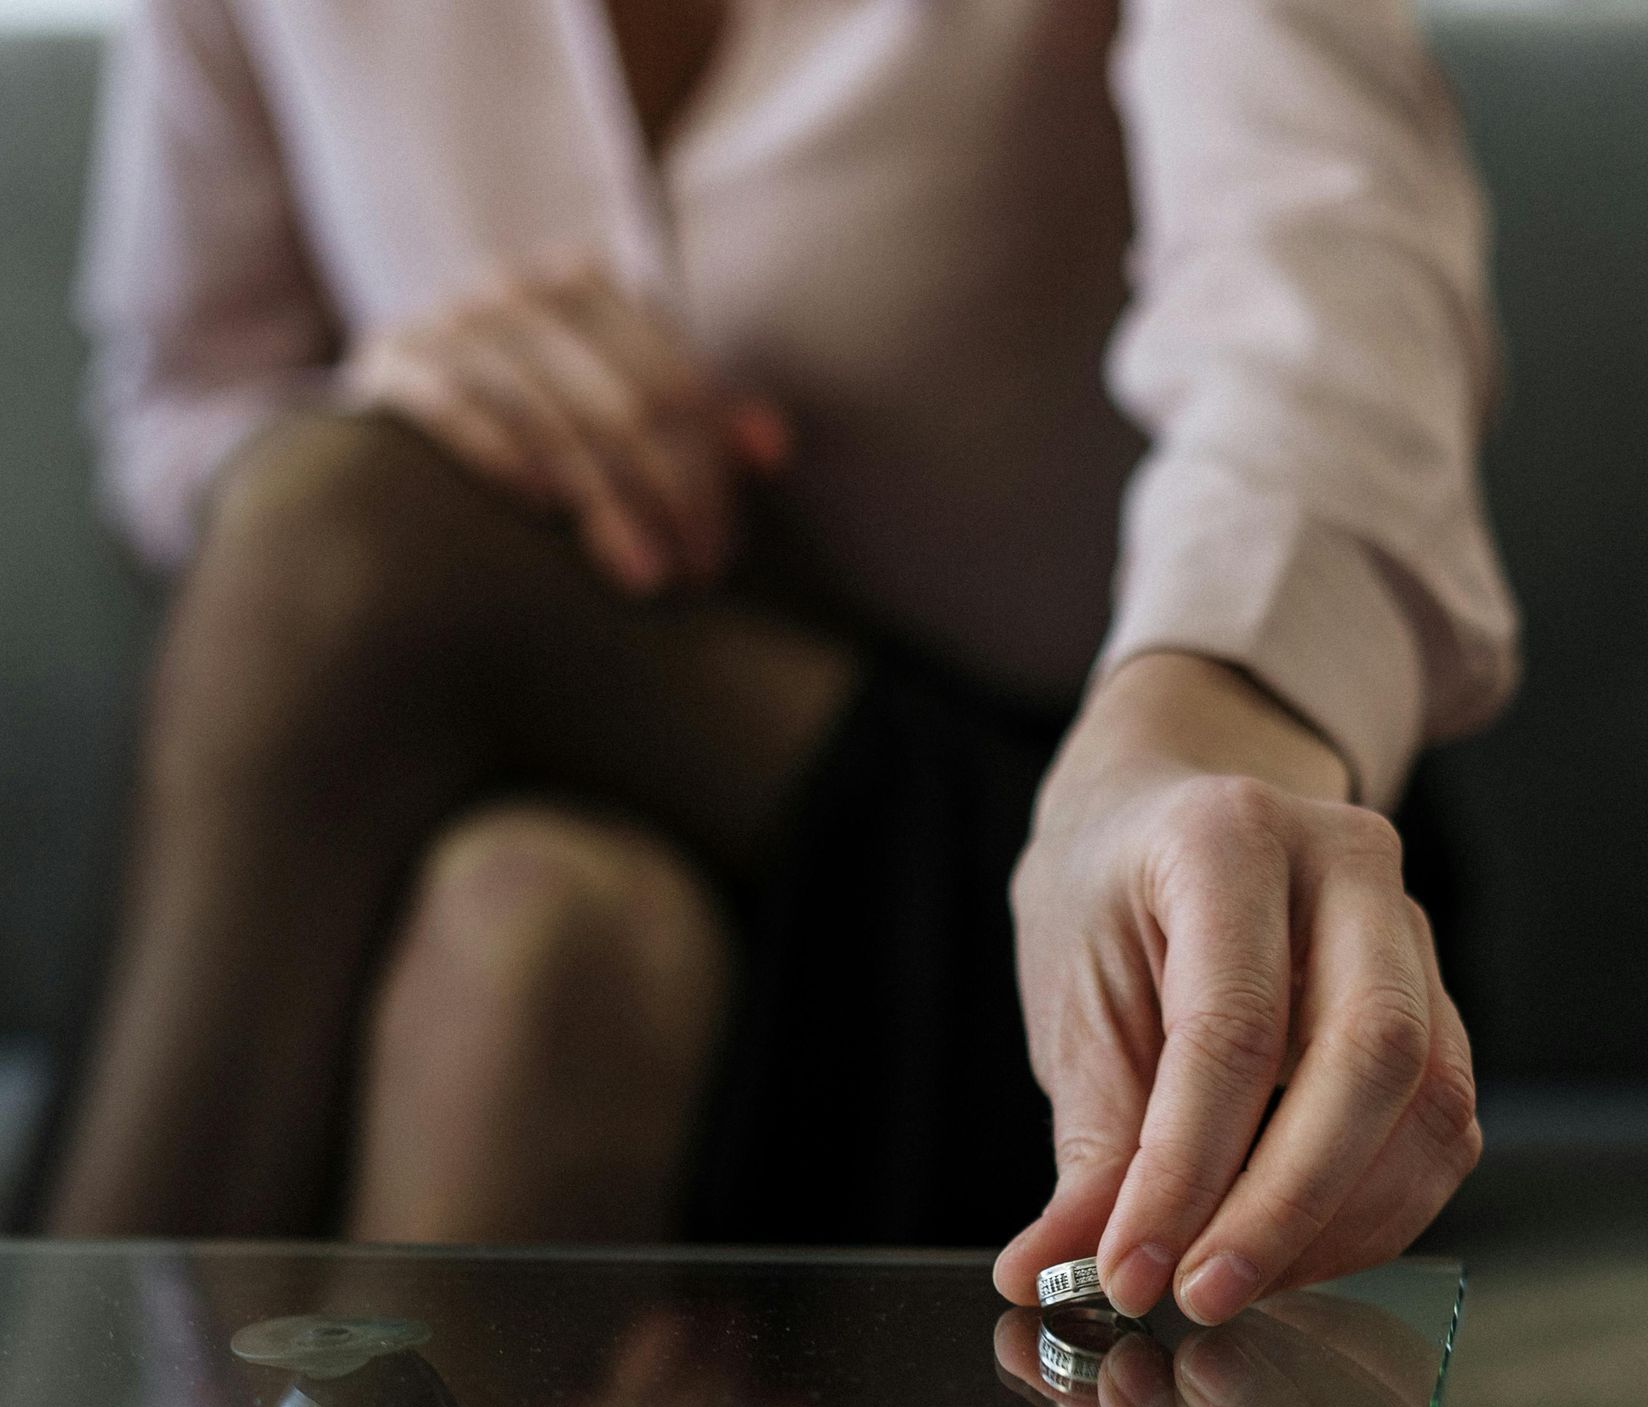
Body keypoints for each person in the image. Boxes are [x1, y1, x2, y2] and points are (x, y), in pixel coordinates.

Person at [47, 0, 1519, 1326]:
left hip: (1054, 887)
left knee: (340, 539)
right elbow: (178, 406)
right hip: (532, 813)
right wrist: (422, 406)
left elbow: (1327, 293)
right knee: (537, 932)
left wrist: (1201, 721)